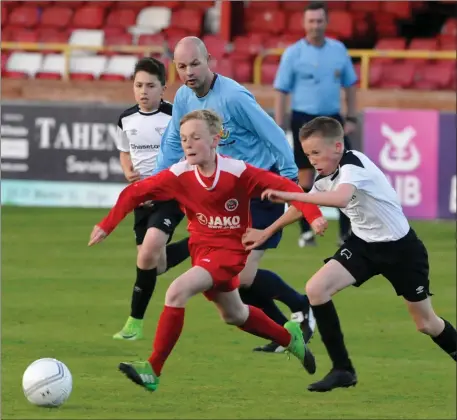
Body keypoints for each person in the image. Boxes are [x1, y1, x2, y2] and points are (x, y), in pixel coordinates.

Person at [88, 110, 328, 391]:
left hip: (230, 252)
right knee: (235, 314)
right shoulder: (179, 174)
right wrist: (107, 224)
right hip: (201, 251)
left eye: (196, 137)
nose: (188, 144)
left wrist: (313, 216)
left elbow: (289, 187)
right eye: (184, 139)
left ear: (216, 139)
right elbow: (134, 193)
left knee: (176, 291)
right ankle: (291, 340)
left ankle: (152, 369)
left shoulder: (237, 172)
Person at [242, 116, 457, 393]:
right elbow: (301, 205)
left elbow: (340, 199)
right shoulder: (327, 174)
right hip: (363, 246)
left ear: (337, 146)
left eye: (316, 153)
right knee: (316, 289)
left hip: (402, 250)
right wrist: (266, 232)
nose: (312, 160)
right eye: (308, 154)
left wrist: (294, 197)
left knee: (426, 324)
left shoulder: (353, 165)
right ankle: (343, 369)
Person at [154, 35, 324, 353]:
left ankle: (302, 305)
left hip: (261, 190)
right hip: (226, 196)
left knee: (240, 277)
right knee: (232, 281)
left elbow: (272, 132)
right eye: (181, 66)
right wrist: (158, 182)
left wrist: (288, 180)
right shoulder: (182, 100)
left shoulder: (233, 97)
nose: (189, 71)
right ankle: (283, 333)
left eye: (194, 63)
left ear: (209, 62)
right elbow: (173, 144)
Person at [113, 57, 190, 341]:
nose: (143, 91)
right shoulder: (125, 119)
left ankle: (134, 323)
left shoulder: (175, 116)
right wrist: (127, 170)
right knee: (153, 265)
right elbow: (124, 151)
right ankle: (197, 244)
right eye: (138, 85)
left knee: (148, 252)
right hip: (141, 198)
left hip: (171, 195)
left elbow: (189, 151)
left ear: (163, 89)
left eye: (150, 85)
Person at [273, 1, 358, 248]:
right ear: (304, 23)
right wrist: (279, 126)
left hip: (332, 120)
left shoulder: (338, 50)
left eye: (319, 21)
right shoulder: (293, 53)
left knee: (344, 176)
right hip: (304, 119)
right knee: (305, 179)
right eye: (311, 21)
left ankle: (346, 233)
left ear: (326, 22)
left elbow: (350, 85)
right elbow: (281, 91)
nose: (315, 26)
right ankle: (307, 231)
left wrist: (351, 117)